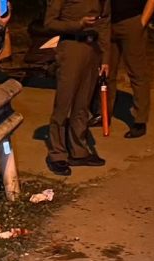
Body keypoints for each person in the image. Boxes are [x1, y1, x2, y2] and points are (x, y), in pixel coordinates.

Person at [42, 0, 111, 176]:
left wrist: (105, 57)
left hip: (92, 49)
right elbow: (49, 23)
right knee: (64, 102)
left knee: (83, 103)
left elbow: (104, 23)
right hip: (71, 47)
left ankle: (78, 150)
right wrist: (78, 25)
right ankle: (57, 154)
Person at [104, 0, 154, 138]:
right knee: (106, 72)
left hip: (131, 21)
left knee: (137, 72)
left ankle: (140, 120)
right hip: (108, 22)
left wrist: (142, 22)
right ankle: (104, 113)